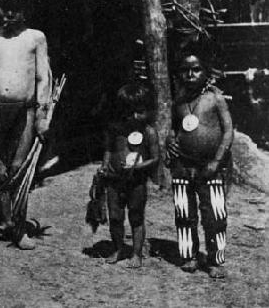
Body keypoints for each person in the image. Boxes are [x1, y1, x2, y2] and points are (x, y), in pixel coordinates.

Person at [0, 0, 51, 250]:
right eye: (4, 8)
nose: (9, 15)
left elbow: (43, 78)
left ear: (26, 11)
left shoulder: (35, 38)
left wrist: (42, 116)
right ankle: (6, 221)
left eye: (15, 9)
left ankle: (19, 227)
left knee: (18, 169)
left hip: (25, 113)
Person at [166, 50, 234, 279]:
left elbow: (228, 131)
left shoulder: (215, 98)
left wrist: (216, 161)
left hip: (210, 166)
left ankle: (215, 259)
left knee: (214, 215)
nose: (190, 74)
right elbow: (176, 128)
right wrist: (171, 141)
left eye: (196, 69)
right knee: (184, 212)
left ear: (206, 72)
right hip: (182, 165)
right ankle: (190, 255)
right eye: (185, 70)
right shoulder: (180, 101)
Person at [98, 82, 159, 269]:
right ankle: (117, 249)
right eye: (129, 111)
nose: (134, 116)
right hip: (114, 180)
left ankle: (136, 253)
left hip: (136, 182)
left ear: (147, 111)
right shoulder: (115, 129)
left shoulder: (149, 132)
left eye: (139, 111)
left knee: (136, 217)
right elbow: (109, 149)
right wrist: (105, 165)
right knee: (115, 216)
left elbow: (156, 158)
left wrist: (139, 166)